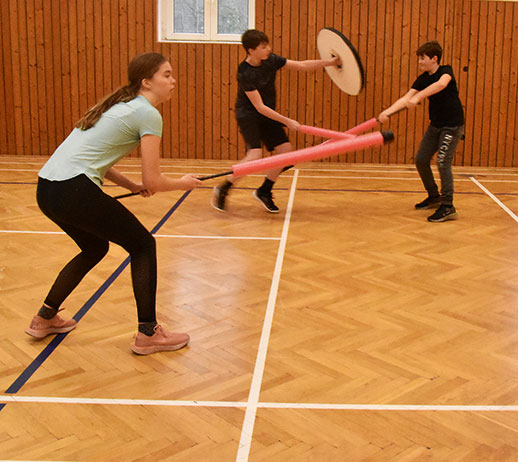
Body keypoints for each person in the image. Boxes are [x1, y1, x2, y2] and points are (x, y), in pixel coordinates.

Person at [28, 52, 202, 355]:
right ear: (146, 82)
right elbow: (154, 181)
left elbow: (99, 161)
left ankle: (45, 318)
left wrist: (131, 185)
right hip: (74, 189)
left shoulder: (118, 108)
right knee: (143, 245)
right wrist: (183, 184)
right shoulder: (147, 113)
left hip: (47, 189)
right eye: (167, 74)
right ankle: (148, 333)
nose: (173, 81)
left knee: (95, 247)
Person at [212, 29, 339, 213]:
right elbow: (259, 107)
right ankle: (224, 187)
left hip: (268, 114)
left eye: (268, 45)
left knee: (286, 153)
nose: (268, 49)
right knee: (255, 155)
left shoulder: (271, 60)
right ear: (251, 50)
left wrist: (331, 62)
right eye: (263, 47)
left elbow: (302, 65)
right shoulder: (245, 72)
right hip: (249, 114)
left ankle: (264, 191)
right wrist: (287, 121)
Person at [378, 40, 465, 222]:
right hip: (436, 125)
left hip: (452, 125)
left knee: (442, 162)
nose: (419, 62)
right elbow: (406, 98)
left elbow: (441, 85)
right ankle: (434, 196)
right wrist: (388, 112)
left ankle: (448, 205)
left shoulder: (445, 71)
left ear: (434, 59)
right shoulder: (423, 78)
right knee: (421, 159)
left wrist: (419, 96)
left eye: (422, 58)